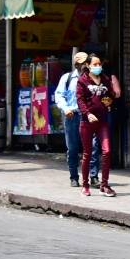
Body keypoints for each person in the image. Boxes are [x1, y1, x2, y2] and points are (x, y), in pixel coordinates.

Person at [77, 52, 117, 198]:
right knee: (87, 153)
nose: (98, 66)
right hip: (87, 122)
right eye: (95, 64)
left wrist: (109, 102)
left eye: (99, 64)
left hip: (102, 121)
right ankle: (85, 185)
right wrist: (87, 113)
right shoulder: (82, 80)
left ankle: (104, 185)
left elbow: (111, 95)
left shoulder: (105, 79)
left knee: (107, 151)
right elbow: (80, 100)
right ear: (88, 65)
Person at [55, 52, 95, 188]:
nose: (86, 65)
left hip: (88, 116)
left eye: (87, 63)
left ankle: (93, 176)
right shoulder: (67, 78)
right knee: (72, 148)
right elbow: (59, 95)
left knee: (92, 147)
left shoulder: (93, 78)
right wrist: (66, 108)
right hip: (72, 116)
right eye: (83, 63)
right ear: (76, 64)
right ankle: (74, 176)